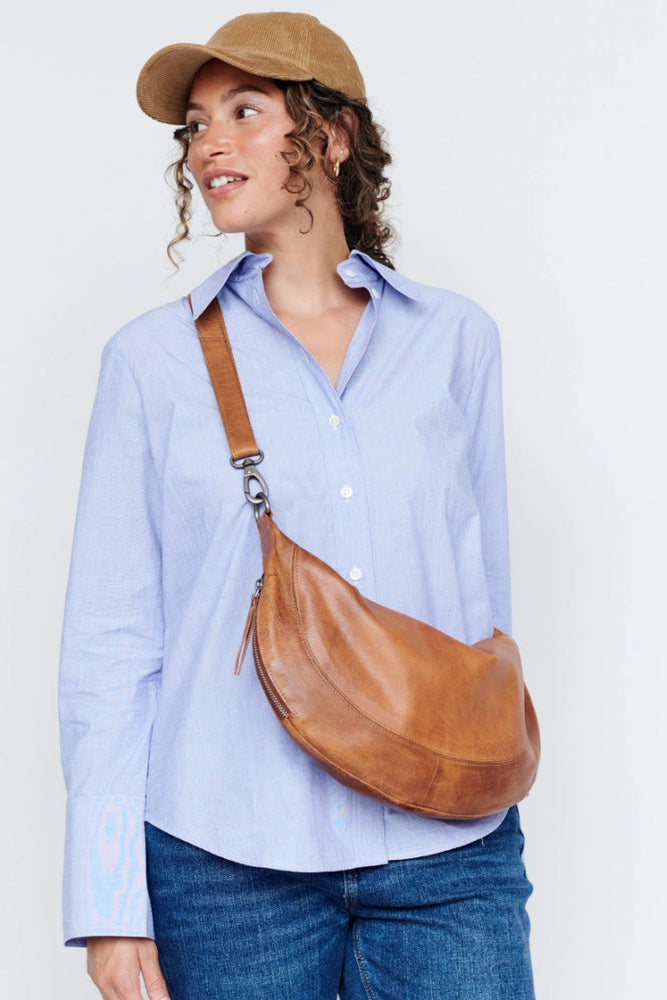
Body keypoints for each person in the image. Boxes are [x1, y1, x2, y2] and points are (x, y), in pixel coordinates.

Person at [59, 11, 535, 1000]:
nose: (210, 145)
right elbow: (110, 647)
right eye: (195, 124)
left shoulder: (455, 341)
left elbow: (481, 606)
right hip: (225, 859)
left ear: (336, 135)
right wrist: (108, 904)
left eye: (245, 110)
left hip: (448, 852)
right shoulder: (150, 362)